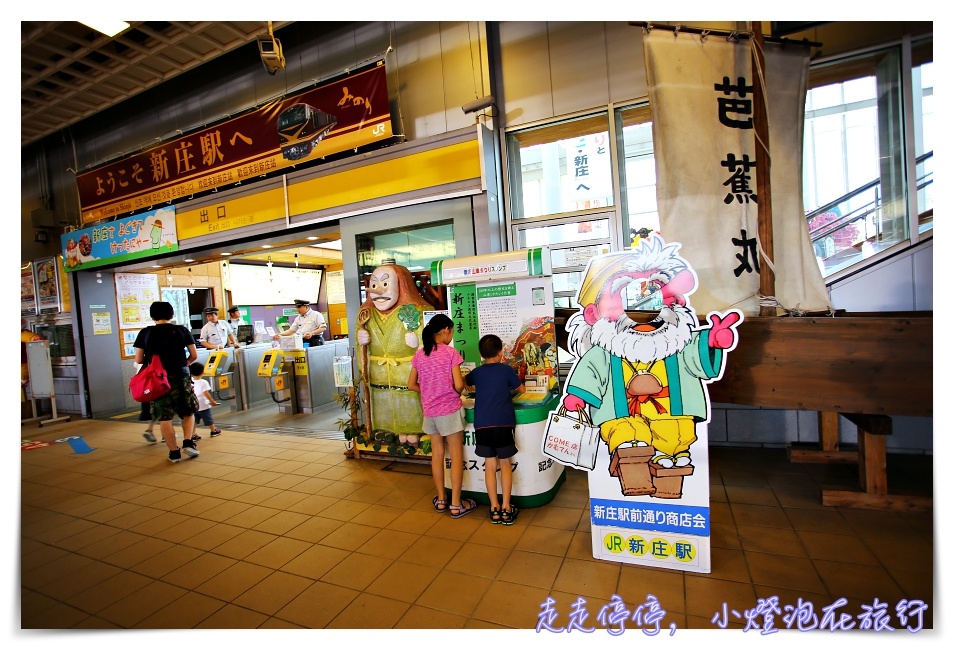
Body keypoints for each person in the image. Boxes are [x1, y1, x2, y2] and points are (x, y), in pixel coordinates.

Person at [407, 313, 477, 519]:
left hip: (430, 412)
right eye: (452, 331)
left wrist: (429, 391)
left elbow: (411, 384)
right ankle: (456, 504)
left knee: (437, 456)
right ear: (446, 330)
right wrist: (457, 390)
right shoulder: (450, 353)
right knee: (456, 457)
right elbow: (458, 385)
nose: (452, 335)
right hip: (449, 411)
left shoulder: (420, 354)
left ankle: (440, 500)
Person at [355, 262, 431, 444]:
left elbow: (433, 344)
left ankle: (414, 429)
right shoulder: (366, 314)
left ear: (402, 284)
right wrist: (361, 341)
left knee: (408, 401)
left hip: (406, 373)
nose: (378, 291)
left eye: (385, 284)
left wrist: (418, 343)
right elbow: (360, 348)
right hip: (378, 372)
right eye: (374, 285)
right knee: (382, 401)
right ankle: (383, 428)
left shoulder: (419, 311)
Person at [465, 334, 526, 525]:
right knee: (505, 464)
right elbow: (522, 389)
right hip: (503, 424)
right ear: (501, 352)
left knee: (490, 466)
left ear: (480, 354)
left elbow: (465, 384)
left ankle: (494, 508)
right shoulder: (506, 370)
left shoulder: (477, 373)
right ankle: (507, 508)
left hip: (483, 425)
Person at [134, 301, 200, 463]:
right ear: (171, 315)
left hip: (158, 380)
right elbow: (194, 355)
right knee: (188, 411)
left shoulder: (145, 333)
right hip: (180, 376)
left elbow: (139, 359)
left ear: (152, 316)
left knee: (165, 417)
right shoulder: (181, 330)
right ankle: (188, 442)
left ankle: (174, 453)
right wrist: (184, 364)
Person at [190, 362, 222, 438]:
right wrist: (212, 401)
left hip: (194, 405)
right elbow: (206, 393)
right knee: (208, 419)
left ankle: (193, 434)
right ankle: (213, 431)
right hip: (204, 405)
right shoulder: (203, 382)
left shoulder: (190, 381)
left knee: (194, 421)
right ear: (203, 372)